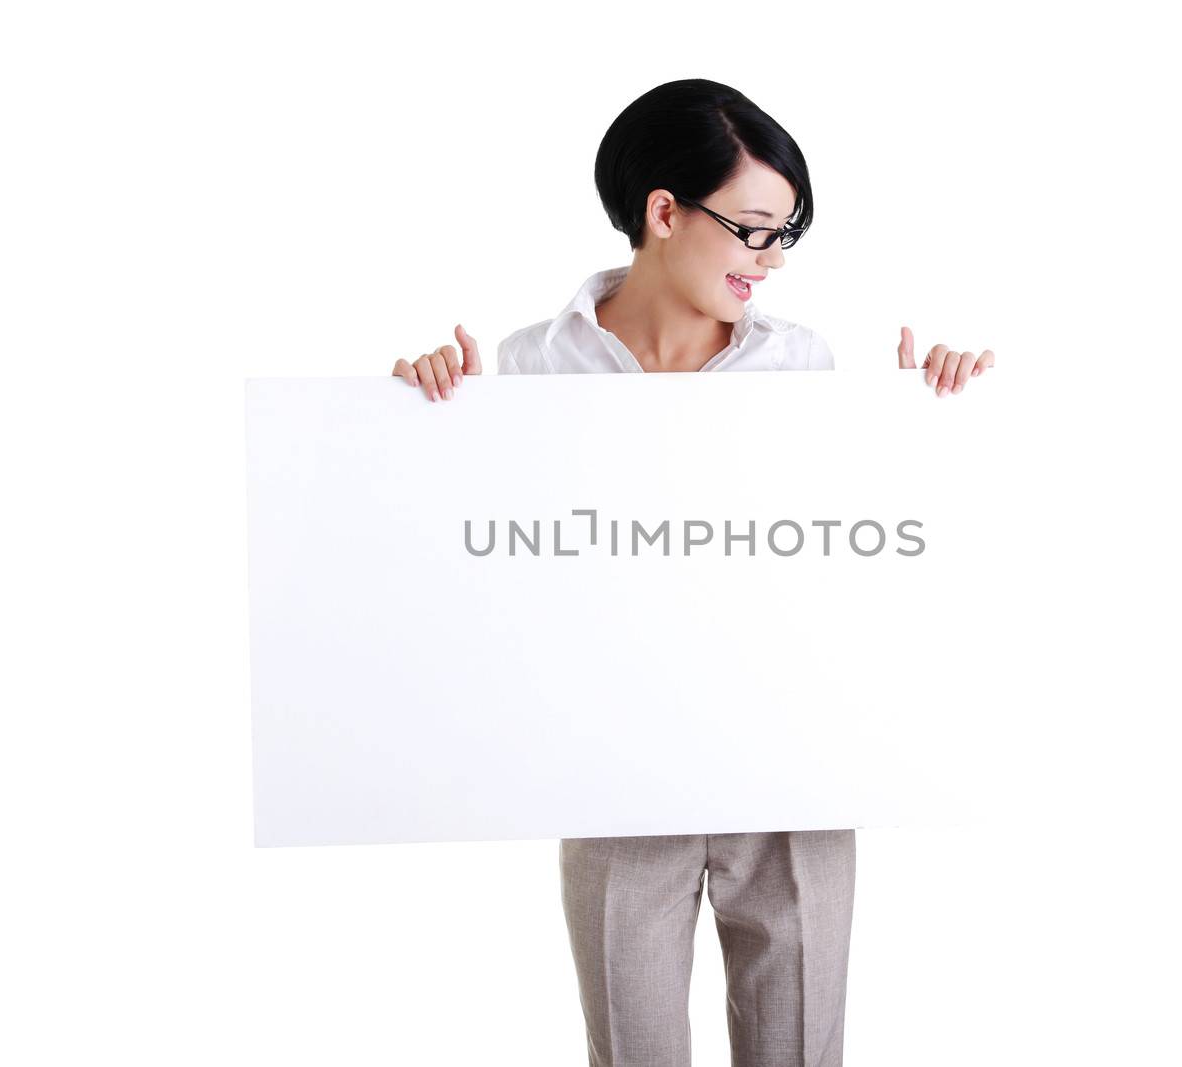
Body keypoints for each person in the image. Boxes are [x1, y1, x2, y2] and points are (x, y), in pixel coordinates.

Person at [391, 78, 994, 1067]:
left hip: (790, 761)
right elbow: (479, 574)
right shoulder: (530, 367)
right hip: (614, 768)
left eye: (785, 234)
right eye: (754, 229)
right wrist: (420, 415)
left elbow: (863, 560)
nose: (772, 259)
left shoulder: (802, 364)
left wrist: (934, 418)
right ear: (664, 212)